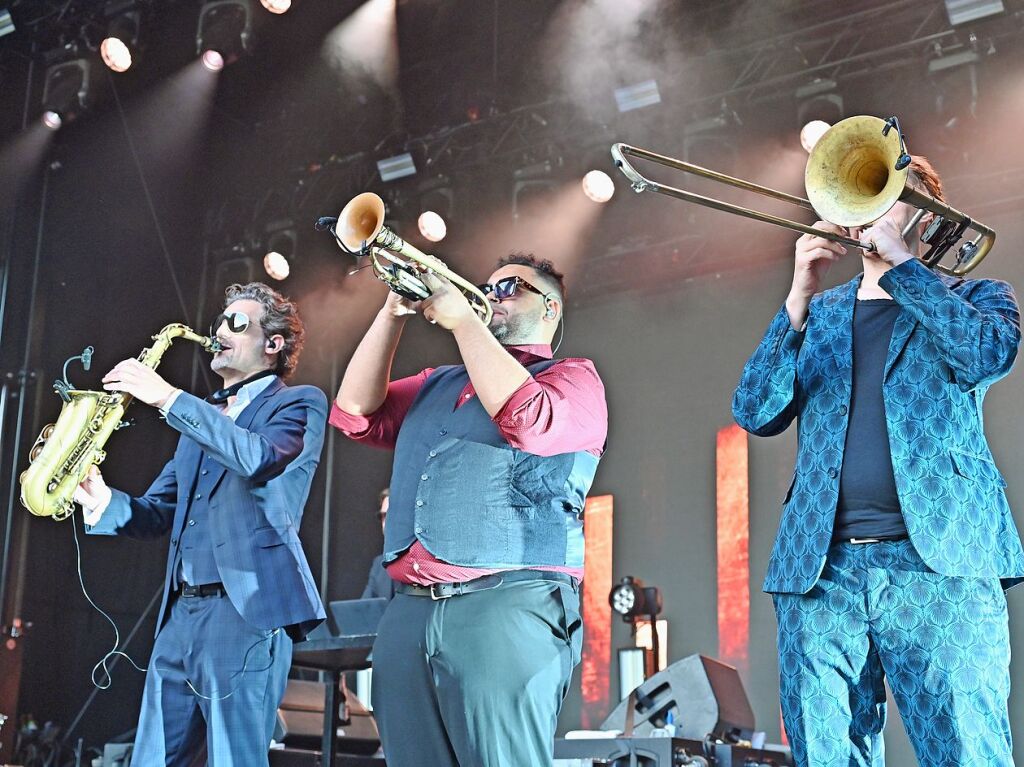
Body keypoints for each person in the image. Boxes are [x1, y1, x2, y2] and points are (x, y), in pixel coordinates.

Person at [733, 155, 1023, 766]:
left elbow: (985, 357)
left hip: (939, 564)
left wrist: (905, 269)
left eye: (888, 195)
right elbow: (756, 411)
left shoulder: (976, 297)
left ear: (923, 214)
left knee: (966, 748)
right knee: (824, 753)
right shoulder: (821, 313)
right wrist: (798, 297)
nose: (868, 211)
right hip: (822, 569)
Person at [331, 254, 608, 767]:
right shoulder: (439, 381)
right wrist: (393, 308)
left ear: (549, 308)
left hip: (505, 602)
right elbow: (352, 413)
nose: (491, 294)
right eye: (487, 286)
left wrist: (462, 322)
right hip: (410, 608)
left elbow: (528, 419)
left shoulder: (573, 377)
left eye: (510, 288)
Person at [75, 282, 328, 767]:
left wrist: (169, 398)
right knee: (151, 759)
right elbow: (160, 513)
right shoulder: (202, 418)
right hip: (180, 615)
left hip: (245, 612)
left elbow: (258, 458)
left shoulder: (298, 403)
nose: (218, 331)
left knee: (233, 759)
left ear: (273, 344)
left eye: (238, 323)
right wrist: (103, 500)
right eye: (219, 321)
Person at [360, 488, 396, 600]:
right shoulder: (379, 565)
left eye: (393, 514)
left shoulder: (424, 565)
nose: (387, 522)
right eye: (384, 516)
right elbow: (364, 611)